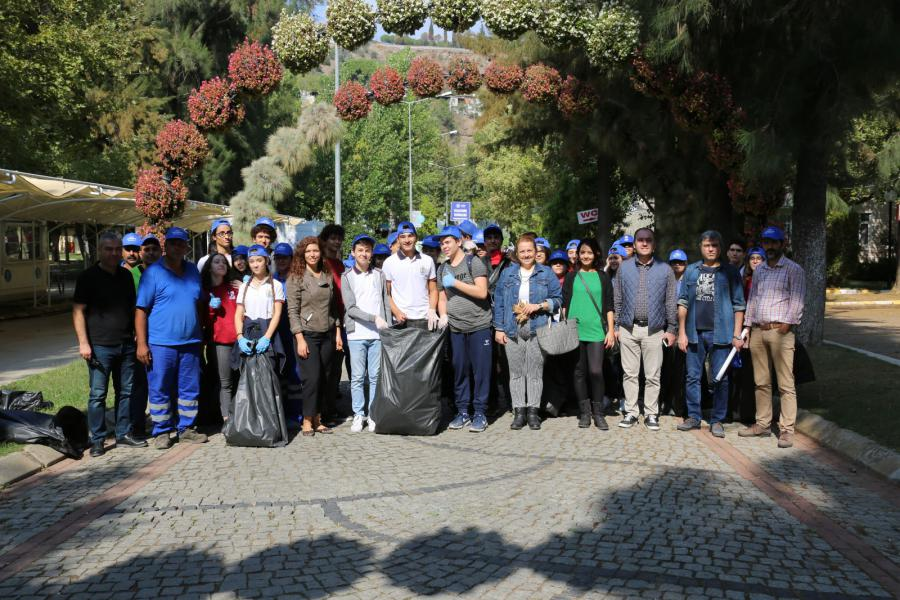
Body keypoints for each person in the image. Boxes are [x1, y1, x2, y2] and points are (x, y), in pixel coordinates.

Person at [73, 231, 146, 457]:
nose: (113, 253)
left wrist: (137, 336)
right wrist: (83, 343)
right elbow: (78, 311)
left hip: (126, 344)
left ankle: (123, 433)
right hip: (100, 346)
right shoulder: (87, 277)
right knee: (98, 395)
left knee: (125, 392)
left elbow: (133, 309)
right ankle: (98, 439)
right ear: (99, 251)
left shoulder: (126, 276)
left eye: (116, 249)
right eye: (108, 249)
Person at [135, 226, 208, 449]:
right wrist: (142, 343)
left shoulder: (192, 271)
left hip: (191, 343)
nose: (177, 247)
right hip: (161, 344)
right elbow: (141, 310)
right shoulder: (153, 273)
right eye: (173, 243)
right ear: (165, 246)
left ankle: (187, 428)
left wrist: (201, 333)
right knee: (160, 388)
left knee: (189, 389)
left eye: (181, 243)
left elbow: (199, 303)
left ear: (186, 247)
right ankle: (162, 431)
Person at [739, 226, 806, 448]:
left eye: (774, 242)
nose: (769, 246)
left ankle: (786, 429)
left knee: (785, 383)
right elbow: (753, 299)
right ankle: (763, 424)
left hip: (780, 331)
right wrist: (748, 327)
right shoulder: (760, 270)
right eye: (766, 242)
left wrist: (787, 325)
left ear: (782, 244)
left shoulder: (793, 269)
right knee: (761, 381)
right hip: (758, 330)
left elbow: (797, 300)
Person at [675, 231, 745, 438]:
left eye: (714, 245)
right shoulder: (691, 271)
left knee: (721, 378)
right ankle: (693, 417)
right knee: (692, 377)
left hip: (722, 333)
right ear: (701, 247)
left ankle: (717, 420)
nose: (711, 249)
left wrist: (737, 334)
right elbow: (683, 302)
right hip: (694, 333)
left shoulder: (730, 272)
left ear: (720, 248)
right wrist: (681, 332)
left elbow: (739, 305)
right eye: (707, 245)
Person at [493, 235, 563, 430]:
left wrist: (539, 305)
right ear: (517, 253)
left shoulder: (546, 273)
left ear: (535, 252)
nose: (526, 254)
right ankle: (519, 412)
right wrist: (498, 328)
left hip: (537, 327)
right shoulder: (508, 273)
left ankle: (533, 412)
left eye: (529, 251)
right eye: (522, 251)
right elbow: (499, 301)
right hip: (512, 327)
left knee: (534, 372)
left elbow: (558, 299)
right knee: (516, 373)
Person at [613, 227, 677, 431]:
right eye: (640, 240)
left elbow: (670, 301)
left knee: (653, 375)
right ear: (634, 245)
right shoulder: (624, 268)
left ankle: (651, 413)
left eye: (648, 240)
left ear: (654, 244)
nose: (644, 243)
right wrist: (616, 326)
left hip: (654, 329)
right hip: (628, 328)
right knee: (629, 374)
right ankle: (631, 412)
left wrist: (672, 328)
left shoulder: (665, 269)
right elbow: (617, 298)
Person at [436, 226, 493, 433]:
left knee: (481, 372)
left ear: (458, 242)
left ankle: (480, 412)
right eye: (442, 243)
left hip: (479, 326)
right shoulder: (442, 268)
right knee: (459, 370)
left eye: (448, 242)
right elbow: (442, 298)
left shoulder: (473, 262)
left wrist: (455, 283)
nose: (444, 246)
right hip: (456, 328)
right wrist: (443, 314)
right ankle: (462, 412)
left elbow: (482, 292)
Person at [286, 236, 343, 437]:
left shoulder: (327, 274)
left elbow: (333, 307)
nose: (312, 254)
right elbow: (292, 311)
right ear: (303, 254)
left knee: (325, 378)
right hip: (307, 335)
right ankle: (307, 420)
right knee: (312, 378)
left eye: (316, 251)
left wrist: (337, 331)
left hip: (328, 333)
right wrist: (299, 338)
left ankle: (318, 418)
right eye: (308, 251)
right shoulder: (295, 277)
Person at [563, 239, 616, 430]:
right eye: (582, 252)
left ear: (596, 255)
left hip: (596, 331)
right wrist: (566, 325)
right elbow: (565, 304)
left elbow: (609, 306)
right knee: (579, 372)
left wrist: (611, 331)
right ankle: (584, 413)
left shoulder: (603, 277)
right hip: (575, 330)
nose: (586, 256)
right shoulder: (571, 276)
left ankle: (598, 413)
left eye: (589, 253)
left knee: (596, 371)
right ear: (578, 254)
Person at [342, 234, 391, 432]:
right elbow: (351, 309)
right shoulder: (347, 276)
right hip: (356, 334)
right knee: (357, 377)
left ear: (372, 253)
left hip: (377, 335)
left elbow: (385, 301)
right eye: (360, 250)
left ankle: (372, 414)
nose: (364, 254)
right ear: (353, 253)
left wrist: (387, 324)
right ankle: (358, 414)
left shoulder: (379, 274)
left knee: (375, 377)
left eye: (367, 250)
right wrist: (373, 318)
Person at [201, 252, 239, 421]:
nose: (221, 264)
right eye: (217, 262)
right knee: (225, 382)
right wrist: (210, 309)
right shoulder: (205, 291)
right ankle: (226, 420)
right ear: (209, 267)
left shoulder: (233, 288)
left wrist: (245, 287)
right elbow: (204, 322)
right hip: (220, 343)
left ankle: (240, 417)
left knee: (239, 380)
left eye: (224, 262)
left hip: (239, 341)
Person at [382, 221, 439, 330]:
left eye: (410, 236)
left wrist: (432, 309)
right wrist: (396, 312)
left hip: (425, 318)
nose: (407, 240)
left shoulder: (427, 260)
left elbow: (433, 290)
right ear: (398, 240)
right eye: (402, 237)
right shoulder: (389, 262)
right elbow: (386, 294)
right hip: (401, 320)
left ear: (416, 238)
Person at [272, 242, 302, 425]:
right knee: (280, 373)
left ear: (291, 259)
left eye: (285, 257)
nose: (281, 261)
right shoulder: (270, 280)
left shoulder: (297, 279)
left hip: (293, 332)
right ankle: (280, 413)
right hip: (276, 333)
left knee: (295, 373)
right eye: (278, 258)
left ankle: (296, 414)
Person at [660, 249, 689, 418]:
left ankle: (679, 406)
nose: (677, 265)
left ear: (686, 264)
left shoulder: (689, 281)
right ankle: (665, 402)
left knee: (681, 369)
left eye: (680, 262)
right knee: (666, 368)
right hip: (667, 328)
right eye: (674, 262)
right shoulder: (665, 280)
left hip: (684, 329)